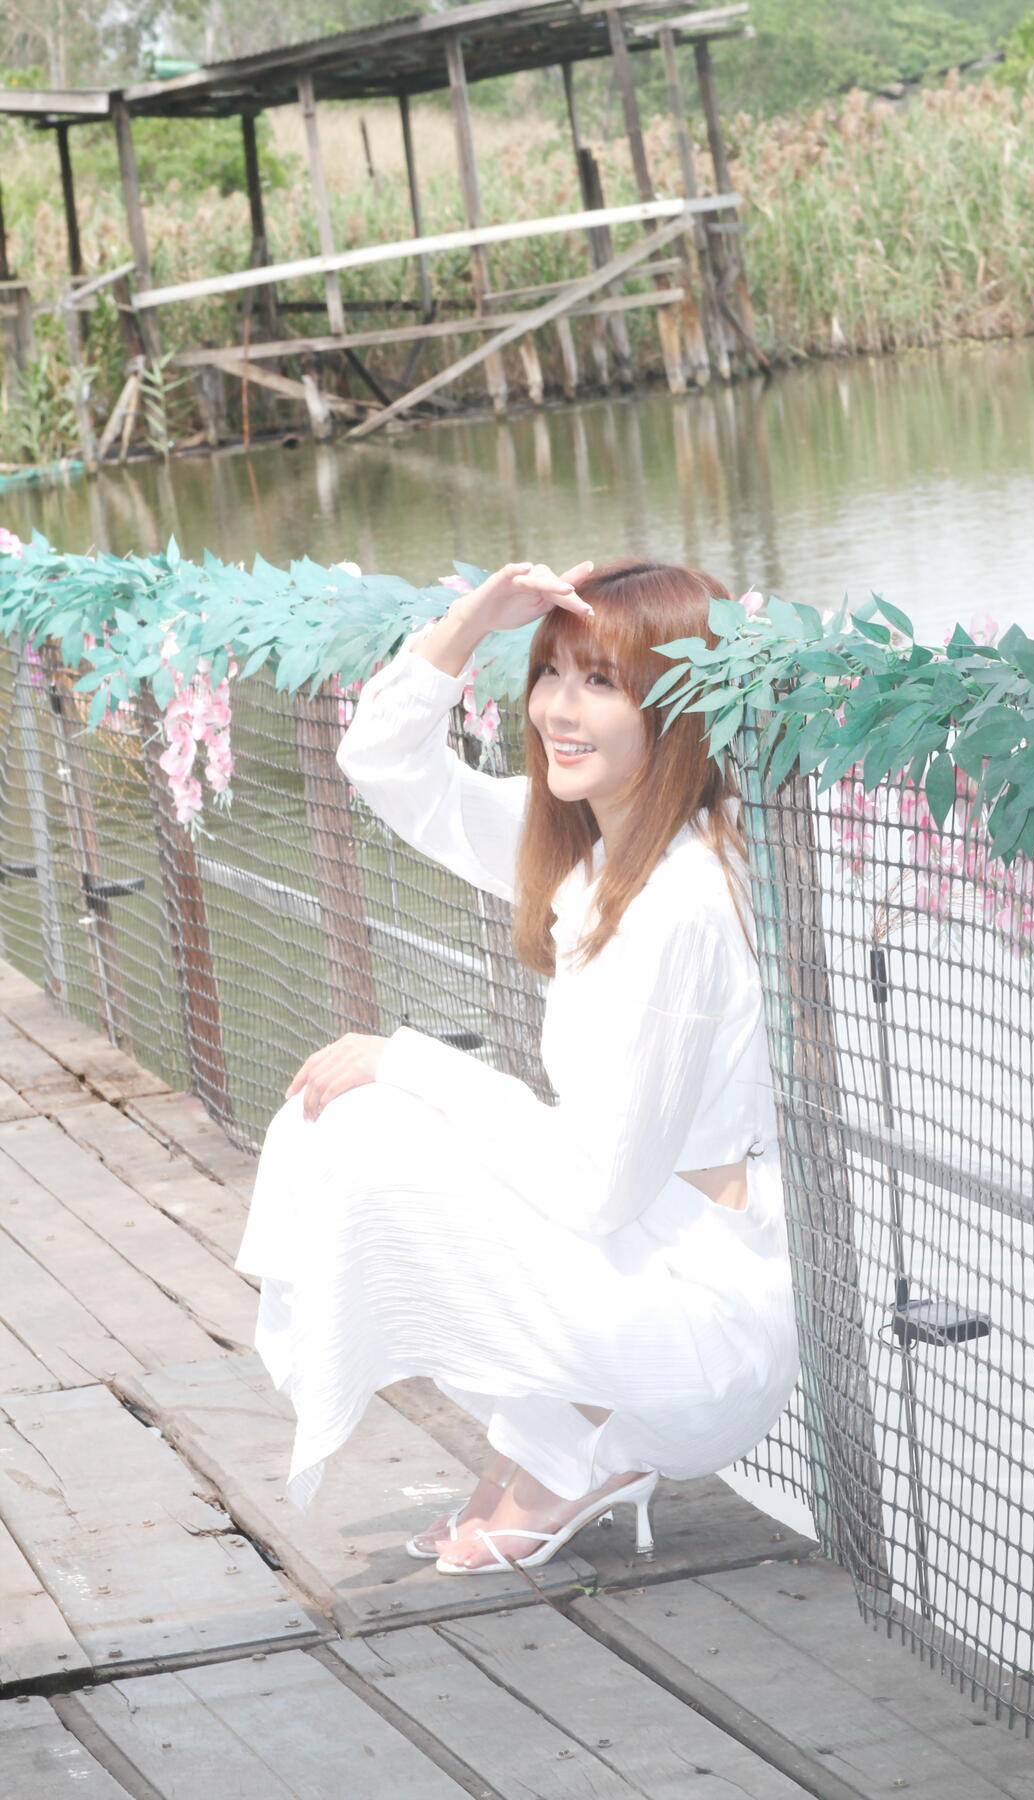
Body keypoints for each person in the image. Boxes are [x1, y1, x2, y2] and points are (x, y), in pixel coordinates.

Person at [234, 556, 801, 1574]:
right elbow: (384, 763)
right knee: (344, 1120)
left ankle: (583, 1440)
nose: (557, 711)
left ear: (677, 708)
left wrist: (410, 1063)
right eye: (549, 674)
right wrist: (472, 620)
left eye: (602, 682)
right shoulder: (589, 848)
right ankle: (549, 1438)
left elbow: (596, 1187)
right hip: (636, 1258)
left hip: (700, 1322)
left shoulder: (684, 898)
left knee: (380, 1109)